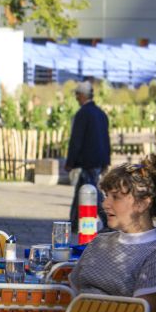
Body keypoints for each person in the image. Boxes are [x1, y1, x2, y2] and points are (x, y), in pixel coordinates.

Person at [69, 154, 156, 312]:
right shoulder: (101, 241)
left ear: (142, 204)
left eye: (116, 197)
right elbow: (72, 289)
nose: (105, 204)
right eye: (106, 196)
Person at [65, 81, 112, 231]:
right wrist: (106, 161)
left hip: (88, 161)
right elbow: (106, 139)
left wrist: (70, 162)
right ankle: (73, 223)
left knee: (93, 193)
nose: (76, 98)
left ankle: (108, 219)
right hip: (98, 159)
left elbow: (76, 140)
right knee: (82, 190)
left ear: (83, 95)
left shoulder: (82, 114)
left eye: (77, 95)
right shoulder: (101, 114)